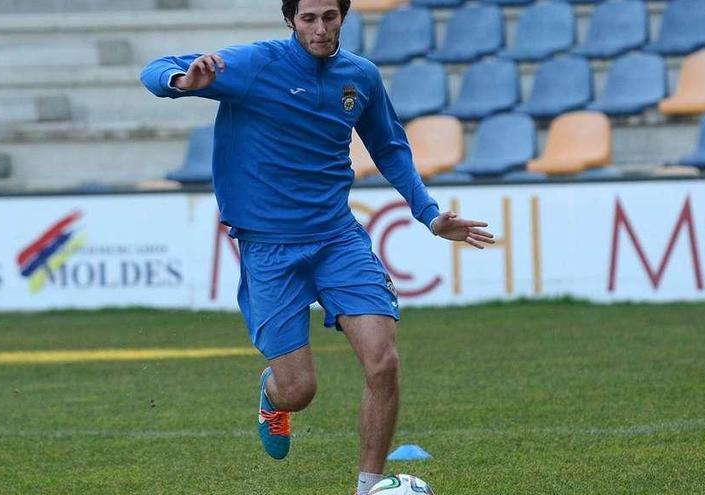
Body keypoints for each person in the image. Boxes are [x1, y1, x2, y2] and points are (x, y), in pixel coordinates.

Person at [140, 0, 495, 493]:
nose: (320, 28)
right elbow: (154, 69)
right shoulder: (255, 65)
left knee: (383, 360)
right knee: (299, 391)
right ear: (291, 20)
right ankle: (272, 393)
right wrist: (182, 83)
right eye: (308, 18)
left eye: (330, 16)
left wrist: (430, 215)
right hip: (270, 250)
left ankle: (368, 485)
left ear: (343, 17)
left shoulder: (361, 77)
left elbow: (390, 147)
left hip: (337, 239)